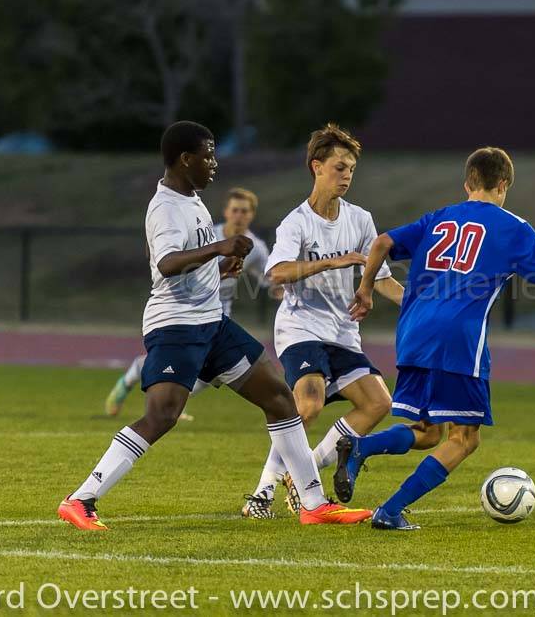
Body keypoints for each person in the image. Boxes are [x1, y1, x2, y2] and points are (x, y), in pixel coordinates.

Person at [57, 121, 372, 530]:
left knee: (279, 398)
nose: (214, 163)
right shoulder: (166, 206)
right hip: (177, 326)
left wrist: (219, 267)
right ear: (185, 159)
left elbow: (189, 263)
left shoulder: (192, 199)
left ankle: (312, 503)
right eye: (207, 155)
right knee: (162, 415)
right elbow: (167, 264)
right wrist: (219, 246)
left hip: (212, 323)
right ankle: (81, 499)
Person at [334, 146, 535, 530]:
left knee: (429, 433)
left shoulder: (439, 218)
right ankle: (390, 510)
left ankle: (360, 447)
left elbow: (380, 242)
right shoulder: (511, 225)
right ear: (503, 185)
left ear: (468, 184)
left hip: (412, 332)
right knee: (465, 438)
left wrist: (365, 289)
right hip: (457, 339)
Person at [242, 123, 404, 520]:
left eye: (351, 169)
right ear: (317, 167)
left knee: (378, 402)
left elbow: (381, 280)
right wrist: (333, 261)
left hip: (343, 331)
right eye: (339, 168)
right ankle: (261, 493)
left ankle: (304, 474)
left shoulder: (360, 219)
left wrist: (423, 305)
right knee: (309, 404)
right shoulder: (296, 222)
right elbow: (275, 273)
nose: (347, 176)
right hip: (300, 327)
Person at [104, 187, 271, 420]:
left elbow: (269, 279)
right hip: (187, 309)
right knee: (199, 369)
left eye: (244, 211)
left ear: (252, 214)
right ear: (226, 211)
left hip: (219, 313)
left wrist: (288, 289)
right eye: (235, 210)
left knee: (205, 372)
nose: (239, 215)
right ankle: (142, 384)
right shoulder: (209, 234)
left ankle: (167, 397)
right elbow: (173, 261)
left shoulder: (255, 248)